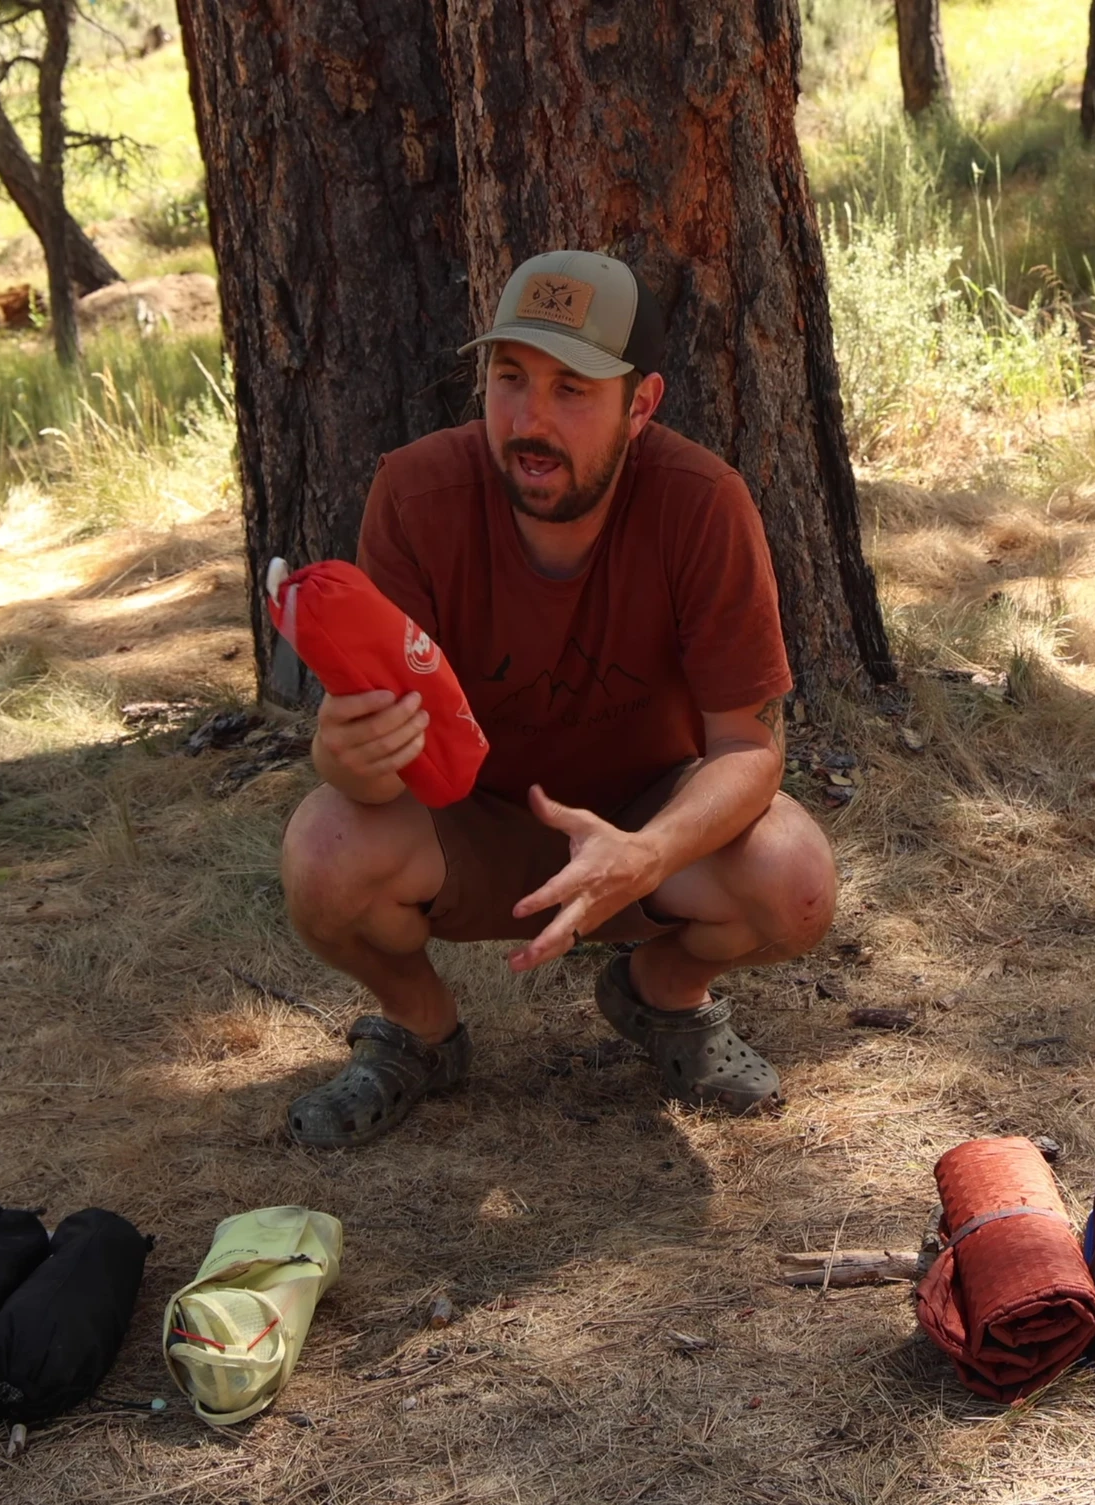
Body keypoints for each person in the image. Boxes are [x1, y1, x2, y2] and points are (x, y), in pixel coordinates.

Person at [278, 249, 838, 1148]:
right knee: (324, 843)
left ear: (642, 404)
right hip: (467, 821)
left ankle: (662, 995)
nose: (530, 420)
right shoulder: (416, 494)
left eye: (573, 388)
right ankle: (420, 1030)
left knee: (796, 879)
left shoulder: (704, 504)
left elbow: (749, 748)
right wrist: (343, 756)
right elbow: (380, 759)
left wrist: (646, 853)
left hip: (641, 821)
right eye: (510, 379)